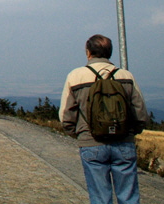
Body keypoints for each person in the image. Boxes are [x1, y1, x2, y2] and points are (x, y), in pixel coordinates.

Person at [59, 34, 148, 204]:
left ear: (88, 52)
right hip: (124, 142)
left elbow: (66, 115)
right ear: (110, 52)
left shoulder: (76, 76)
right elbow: (141, 113)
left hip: (91, 142)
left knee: (100, 197)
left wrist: (78, 134)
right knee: (128, 196)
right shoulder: (126, 76)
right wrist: (132, 132)